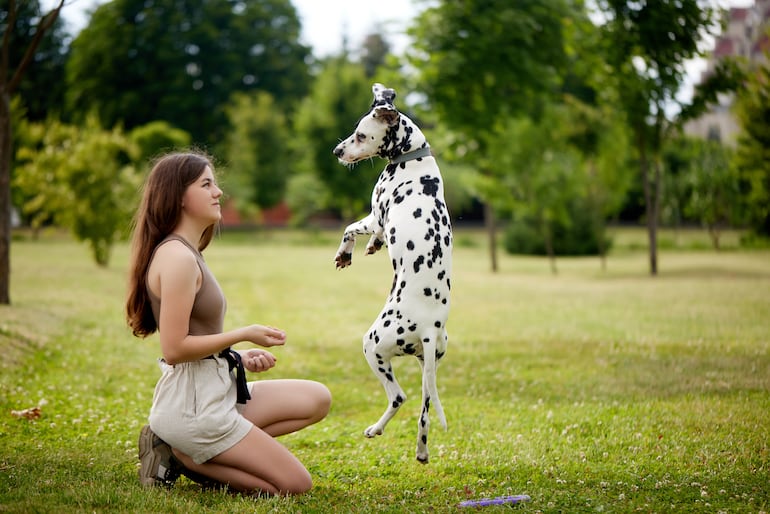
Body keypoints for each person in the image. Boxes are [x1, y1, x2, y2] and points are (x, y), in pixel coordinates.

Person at [125, 151, 331, 495]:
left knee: (317, 398)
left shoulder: (187, 251)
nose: (218, 192)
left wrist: (235, 355)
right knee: (295, 485)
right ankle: (183, 454)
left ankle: (195, 449)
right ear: (179, 197)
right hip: (193, 408)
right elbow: (174, 349)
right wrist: (244, 333)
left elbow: (195, 337)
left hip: (213, 390)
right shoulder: (177, 258)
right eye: (206, 184)